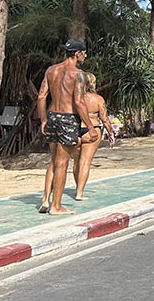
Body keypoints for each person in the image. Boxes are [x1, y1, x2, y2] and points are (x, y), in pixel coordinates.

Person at [36, 39, 99, 215]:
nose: (85, 56)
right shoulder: (78, 74)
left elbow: (41, 97)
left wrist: (43, 120)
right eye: (84, 53)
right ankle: (56, 206)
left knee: (54, 161)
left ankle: (45, 199)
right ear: (78, 53)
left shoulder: (51, 70)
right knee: (62, 163)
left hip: (52, 117)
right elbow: (78, 102)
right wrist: (90, 127)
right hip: (68, 119)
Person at [72, 73, 114, 200]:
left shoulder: (74, 98)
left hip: (76, 129)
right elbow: (105, 119)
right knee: (85, 163)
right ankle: (79, 193)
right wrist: (111, 133)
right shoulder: (98, 99)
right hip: (92, 130)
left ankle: (78, 187)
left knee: (76, 163)